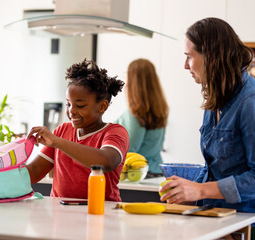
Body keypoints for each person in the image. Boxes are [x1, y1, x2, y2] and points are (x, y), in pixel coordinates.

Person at [159, 18, 255, 239]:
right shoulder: (217, 98)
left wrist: (199, 190)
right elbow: (219, 168)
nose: (185, 65)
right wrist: (188, 190)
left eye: (189, 56)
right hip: (223, 218)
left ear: (211, 56)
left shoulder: (253, 103)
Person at [26, 59, 129, 202]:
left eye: (80, 105)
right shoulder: (62, 131)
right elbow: (34, 171)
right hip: (61, 215)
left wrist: (57, 142)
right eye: (68, 104)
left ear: (102, 106)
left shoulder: (115, 132)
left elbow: (106, 162)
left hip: (102, 213)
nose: (71, 111)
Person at [115, 59, 169, 176]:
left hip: (139, 174)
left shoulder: (135, 112)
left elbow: (130, 149)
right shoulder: (160, 109)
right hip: (157, 171)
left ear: (133, 81)